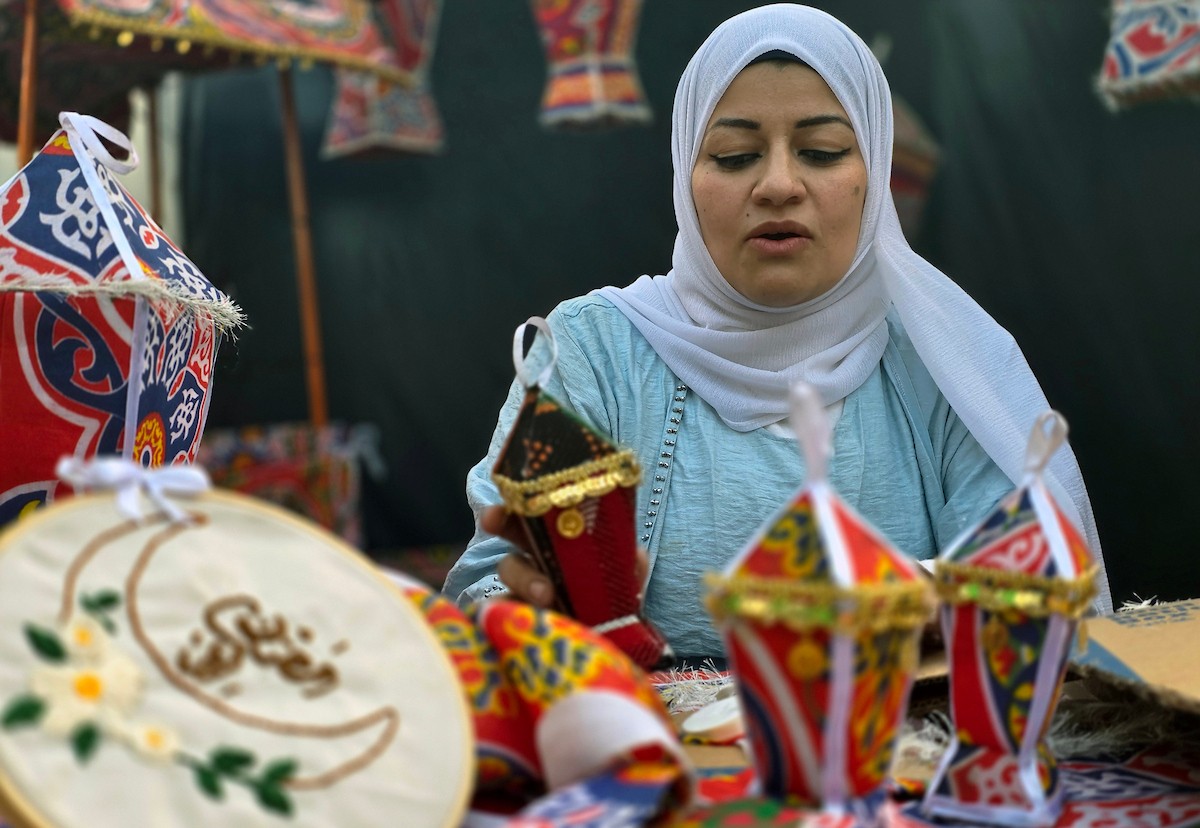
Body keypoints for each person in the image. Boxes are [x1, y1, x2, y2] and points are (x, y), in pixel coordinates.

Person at [444, 3, 1112, 663]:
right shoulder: (592, 351)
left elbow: (1034, 585)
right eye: (734, 156)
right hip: (665, 758)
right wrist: (522, 608)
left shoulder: (944, 363)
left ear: (873, 173)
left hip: (905, 758)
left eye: (821, 151)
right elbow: (484, 588)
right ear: (685, 174)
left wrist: (932, 600)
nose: (779, 184)